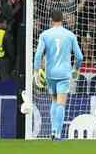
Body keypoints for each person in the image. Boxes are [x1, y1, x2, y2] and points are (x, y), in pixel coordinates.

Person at [34, 10, 83, 140]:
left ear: (51, 19)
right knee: (61, 103)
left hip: (50, 74)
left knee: (54, 101)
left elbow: (38, 55)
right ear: (63, 20)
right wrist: (76, 69)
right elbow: (79, 57)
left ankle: (53, 131)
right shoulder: (70, 35)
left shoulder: (45, 34)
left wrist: (36, 71)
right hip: (64, 74)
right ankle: (58, 134)